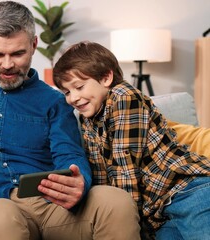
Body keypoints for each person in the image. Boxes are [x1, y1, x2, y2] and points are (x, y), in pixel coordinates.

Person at [0, 1, 141, 239]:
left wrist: (79, 181)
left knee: (116, 201)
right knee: (1, 219)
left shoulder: (55, 101)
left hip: (52, 208)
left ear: (34, 44)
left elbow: (69, 154)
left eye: (18, 53)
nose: (7, 65)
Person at [53, 41, 210, 239]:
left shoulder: (124, 97)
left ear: (106, 78)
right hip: (160, 212)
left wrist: (128, 220)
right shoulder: (88, 118)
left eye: (79, 87)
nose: (73, 98)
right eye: (67, 92)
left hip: (188, 191)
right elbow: (101, 176)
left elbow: (124, 168)